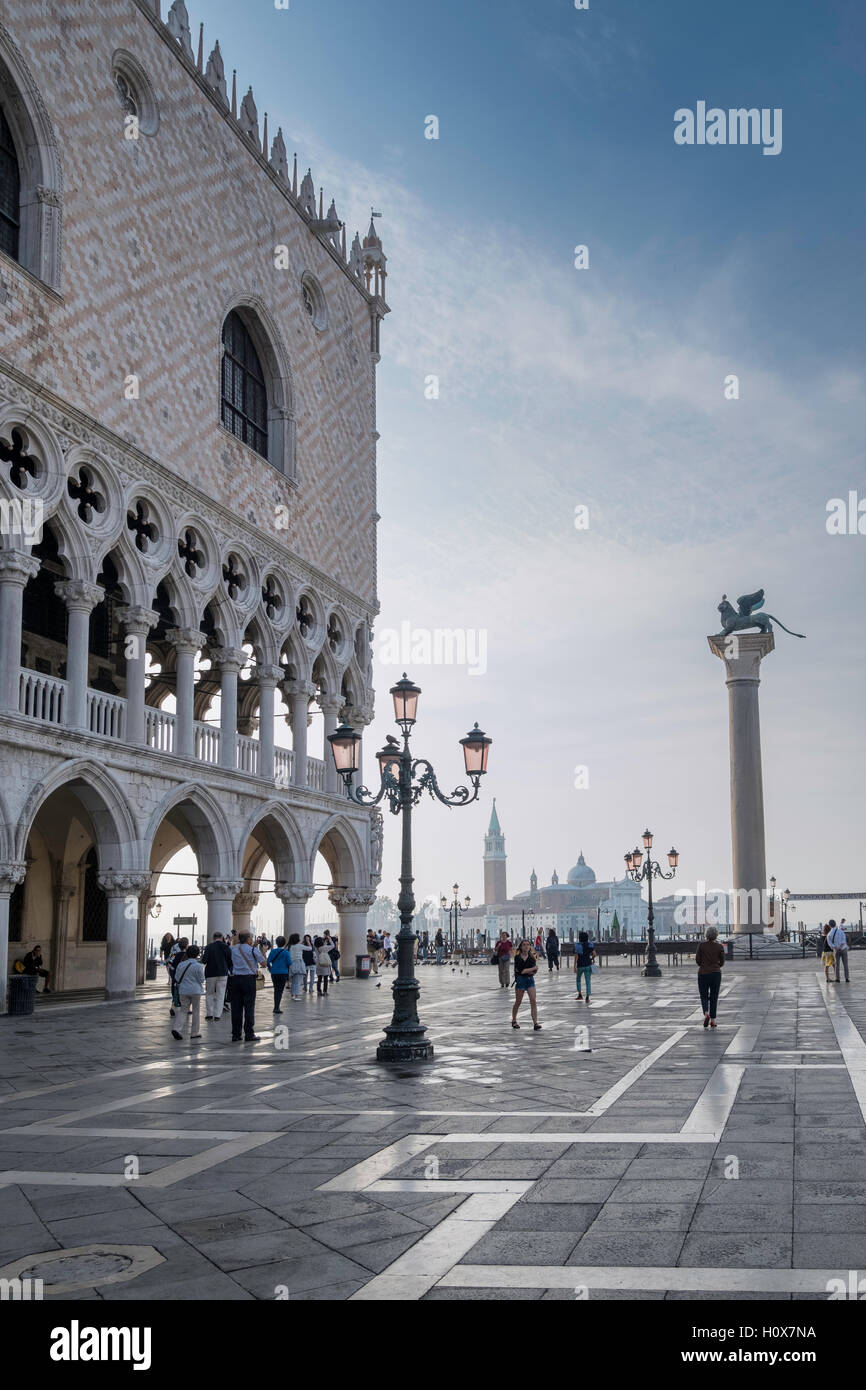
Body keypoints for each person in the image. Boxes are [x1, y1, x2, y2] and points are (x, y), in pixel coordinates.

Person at [229, 931, 265, 1041]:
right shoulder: (253, 950)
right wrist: (262, 951)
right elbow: (264, 963)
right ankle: (249, 1033)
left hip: (235, 979)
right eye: (251, 938)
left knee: (235, 1008)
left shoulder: (233, 948)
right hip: (248, 980)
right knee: (249, 1007)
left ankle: (236, 1034)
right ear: (248, 939)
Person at [171, 944, 205, 1042]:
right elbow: (202, 979)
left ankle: (176, 1028)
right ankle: (194, 1033)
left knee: (183, 1010)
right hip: (195, 991)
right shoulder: (198, 966)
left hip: (183, 990)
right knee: (196, 1011)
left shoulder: (181, 965)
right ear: (197, 954)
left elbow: (177, 978)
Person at [695, 925, 725, 1028]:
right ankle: (713, 1020)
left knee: (704, 996)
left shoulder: (701, 945)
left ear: (706, 934)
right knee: (714, 997)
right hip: (716, 974)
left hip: (703, 973)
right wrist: (716, 966)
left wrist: (703, 965)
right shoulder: (720, 946)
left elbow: (697, 960)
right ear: (716, 935)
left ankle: (706, 1013)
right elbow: (722, 962)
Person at [511, 940, 541, 1030]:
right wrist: (533, 968)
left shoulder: (532, 957)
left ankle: (535, 1023)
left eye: (528, 945)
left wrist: (532, 969)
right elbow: (522, 971)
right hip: (520, 980)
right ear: (521, 947)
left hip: (530, 980)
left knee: (533, 1001)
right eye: (524, 945)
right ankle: (514, 1020)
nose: (526, 947)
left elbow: (533, 972)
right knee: (518, 1001)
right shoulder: (517, 958)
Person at [202, 931, 232, 1020]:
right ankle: (217, 1015)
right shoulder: (226, 946)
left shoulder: (209, 947)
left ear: (213, 938)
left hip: (210, 973)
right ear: (222, 937)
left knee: (209, 993)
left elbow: (204, 960)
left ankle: (209, 1014)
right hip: (223, 973)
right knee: (221, 993)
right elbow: (230, 960)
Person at [267, 935, 291, 1012]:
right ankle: (277, 1007)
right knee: (280, 990)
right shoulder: (286, 952)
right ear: (284, 943)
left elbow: (268, 962)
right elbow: (290, 963)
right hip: (283, 973)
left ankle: (276, 1007)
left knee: (276, 989)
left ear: (276, 943)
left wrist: (271, 969)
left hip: (274, 973)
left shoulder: (272, 951)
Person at [167, 937, 189, 1017]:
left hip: (175, 978)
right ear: (187, 945)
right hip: (185, 979)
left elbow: (169, 963)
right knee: (186, 995)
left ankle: (172, 1007)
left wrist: (173, 973)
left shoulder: (174, 955)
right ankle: (186, 1009)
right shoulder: (187, 956)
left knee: (175, 993)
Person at [573, 930, 595, 1003]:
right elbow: (594, 954)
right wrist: (591, 958)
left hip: (580, 965)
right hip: (588, 965)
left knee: (578, 980)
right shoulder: (590, 945)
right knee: (588, 981)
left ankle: (580, 995)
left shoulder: (577, 945)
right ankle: (587, 997)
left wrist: (574, 965)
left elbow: (576, 956)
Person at [287, 933, 306, 998]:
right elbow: (310, 948)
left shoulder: (289, 946)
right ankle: (296, 996)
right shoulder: (299, 946)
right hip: (299, 964)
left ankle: (293, 994)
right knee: (298, 981)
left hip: (292, 965)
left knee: (294, 982)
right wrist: (308, 941)